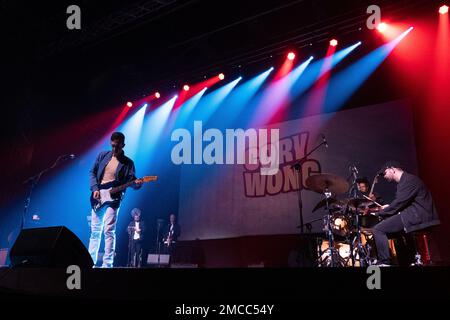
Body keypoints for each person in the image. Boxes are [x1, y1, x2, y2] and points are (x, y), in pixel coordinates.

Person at [88, 132, 143, 268]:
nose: (114, 149)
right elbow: (92, 172)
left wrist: (138, 183)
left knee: (109, 230)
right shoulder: (102, 156)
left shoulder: (128, 163)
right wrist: (95, 189)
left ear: (123, 145)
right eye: (112, 146)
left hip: (114, 198)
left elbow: (132, 182)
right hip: (99, 196)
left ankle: (107, 265)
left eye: (117, 146)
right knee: (95, 231)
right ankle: (90, 263)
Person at [371, 161, 440, 266]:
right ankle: (406, 261)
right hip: (413, 214)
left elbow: (399, 203)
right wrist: (389, 208)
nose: (384, 176)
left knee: (378, 229)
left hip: (418, 216)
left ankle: (384, 263)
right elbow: (403, 202)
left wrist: (380, 213)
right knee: (392, 234)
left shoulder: (409, 180)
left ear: (392, 169)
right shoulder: (405, 181)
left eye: (384, 173)